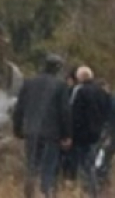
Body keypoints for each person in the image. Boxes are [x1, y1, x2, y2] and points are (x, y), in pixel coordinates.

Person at [12, 53, 73, 198]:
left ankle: (29, 193)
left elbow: (19, 108)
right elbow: (64, 111)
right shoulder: (60, 86)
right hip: (52, 134)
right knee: (48, 169)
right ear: (58, 69)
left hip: (31, 132)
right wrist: (67, 135)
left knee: (32, 166)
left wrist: (18, 129)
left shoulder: (29, 83)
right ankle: (45, 193)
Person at [70, 66, 111, 198]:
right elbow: (107, 113)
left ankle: (88, 192)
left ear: (80, 78)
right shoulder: (103, 92)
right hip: (98, 135)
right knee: (93, 163)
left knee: (84, 166)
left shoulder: (80, 91)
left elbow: (74, 113)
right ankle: (94, 190)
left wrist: (71, 133)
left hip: (82, 136)